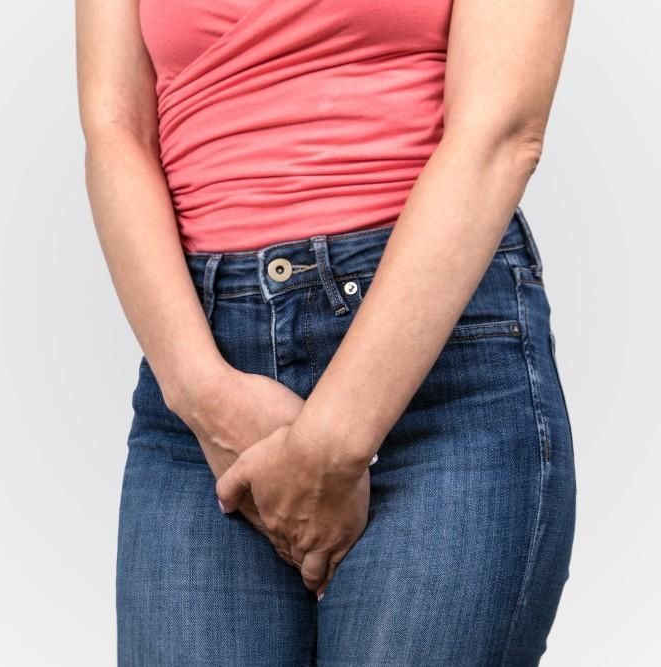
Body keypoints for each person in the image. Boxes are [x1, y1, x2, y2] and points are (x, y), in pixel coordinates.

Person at [76, 0, 576, 664]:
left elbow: (502, 134)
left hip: (437, 369)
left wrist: (335, 440)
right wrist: (204, 394)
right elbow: (115, 128)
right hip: (200, 378)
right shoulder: (203, 395)